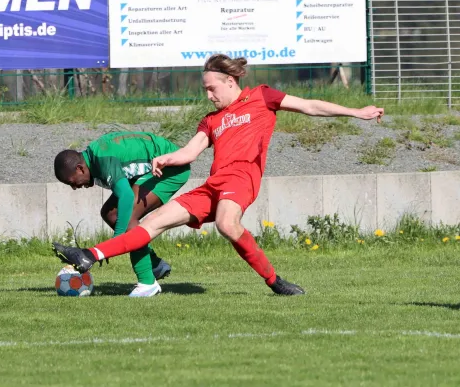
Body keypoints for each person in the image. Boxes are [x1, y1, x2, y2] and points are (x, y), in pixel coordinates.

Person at [52, 53, 384, 296]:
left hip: (242, 179)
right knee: (151, 223)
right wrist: (168, 158)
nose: (208, 96)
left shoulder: (262, 97)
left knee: (227, 224)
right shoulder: (211, 120)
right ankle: (89, 255)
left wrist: (356, 112)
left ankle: (275, 282)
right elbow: (190, 152)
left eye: (212, 89)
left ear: (230, 81)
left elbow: (311, 106)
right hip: (213, 185)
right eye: (205, 90)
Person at [53, 131, 191, 297]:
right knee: (110, 213)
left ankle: (147, 283)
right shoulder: (97, 157)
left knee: (128, 216)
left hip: (172, 168)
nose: (75, 187)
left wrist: (115, 242)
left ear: (80, 168)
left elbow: (126, 196)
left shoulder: (103, 161)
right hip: (155, 166)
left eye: (72, 182)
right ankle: (154, 264)